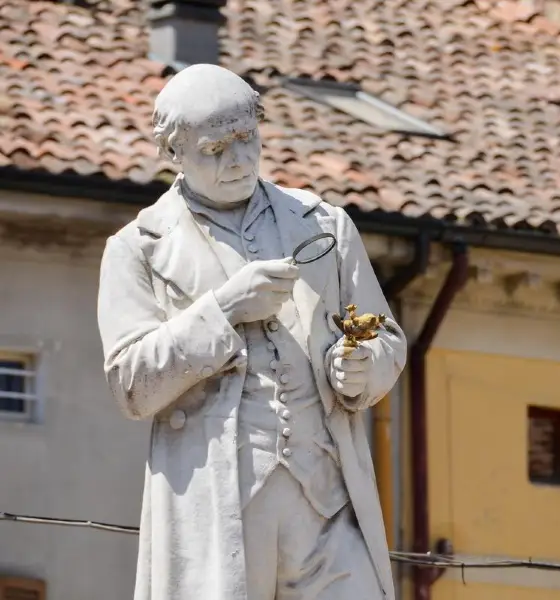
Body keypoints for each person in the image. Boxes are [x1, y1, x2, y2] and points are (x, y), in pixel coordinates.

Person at [96, 63, 406, 600]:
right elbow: (130, 384)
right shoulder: (138, 248)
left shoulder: (324, 224)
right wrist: (223, 310)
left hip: (327, 505)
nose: (238, 159)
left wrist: (361, 369)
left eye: (246, 138)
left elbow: (386, 340)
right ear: (174, 155)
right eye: (216, 149)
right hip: (220, 511)